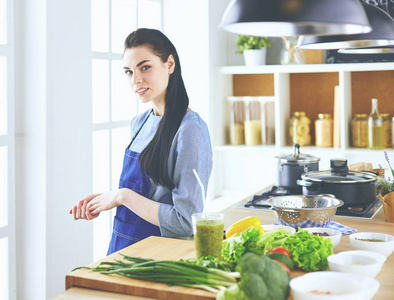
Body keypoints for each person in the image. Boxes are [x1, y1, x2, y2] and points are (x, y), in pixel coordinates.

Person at [69, 28, 213, 255]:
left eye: (145, 67)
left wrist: (122, 196)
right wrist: (108, 199)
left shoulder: (191, 129)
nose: (136, 80)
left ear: (170, 64)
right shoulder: (139, 123)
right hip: (123, 247)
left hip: (160, 256)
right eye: (128, 71)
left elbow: (185, 221)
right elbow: (148, 195)